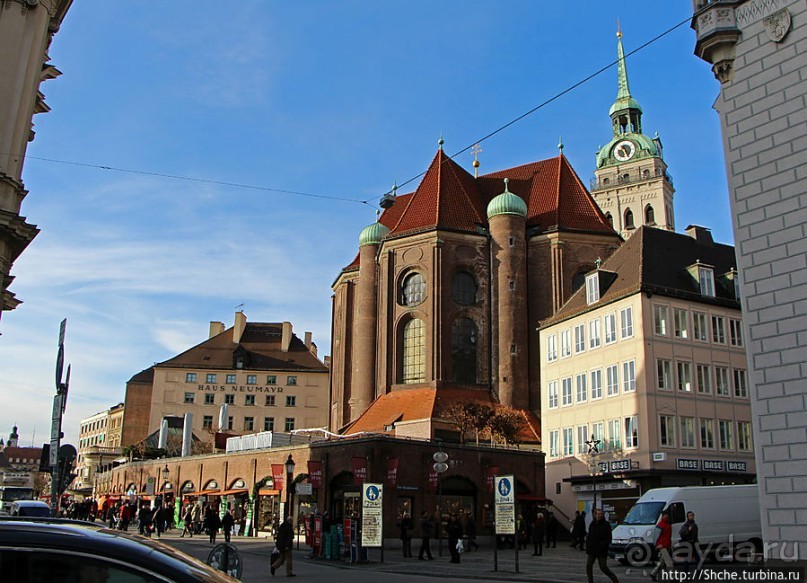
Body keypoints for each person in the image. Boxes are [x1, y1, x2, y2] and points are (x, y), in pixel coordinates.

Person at [585, 508, 619, 583]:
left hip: (602, 550)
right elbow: (590, 536)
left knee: (603, 567)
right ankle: (590, 581)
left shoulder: (606, 525)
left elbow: (609, 538)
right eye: (598, 514)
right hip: (592, 550)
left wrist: (603, 545)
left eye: (601, 514)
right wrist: (588, 545)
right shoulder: (592, 524)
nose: (600, 515)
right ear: (595, 515)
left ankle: (614, 579)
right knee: (589, 565)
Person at [650, 510, 673, 581]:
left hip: (665, 546)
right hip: (663, 546)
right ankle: (672, 578)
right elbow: (656, 536)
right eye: (666, 515)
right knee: (669, 563)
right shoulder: (662, 525)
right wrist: (657, 545)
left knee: (662, 563)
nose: (667, 516)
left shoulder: (664, 524)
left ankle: (653, 573)